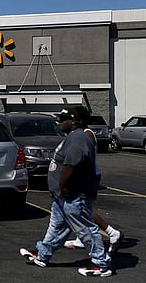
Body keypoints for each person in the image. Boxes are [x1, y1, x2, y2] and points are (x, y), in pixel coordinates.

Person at [20, 106, 112, 277]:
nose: (59, 122)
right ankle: (43, 254)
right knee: (56, 228)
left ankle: (101, 264)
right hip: (63, 196)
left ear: (74, 121)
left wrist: (63, 187)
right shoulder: (72, 137)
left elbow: (70, 166)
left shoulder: (78, 139)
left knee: (86, 228)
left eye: (63, 119)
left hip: (73, 194)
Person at [64, 108, 124, 254]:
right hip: (85, 176)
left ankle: (112, 233)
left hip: (88, 176)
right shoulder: (79, 134)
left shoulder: (87, 134)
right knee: (81, 208)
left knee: (84, 208)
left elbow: (84, 156)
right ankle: (81, 238)